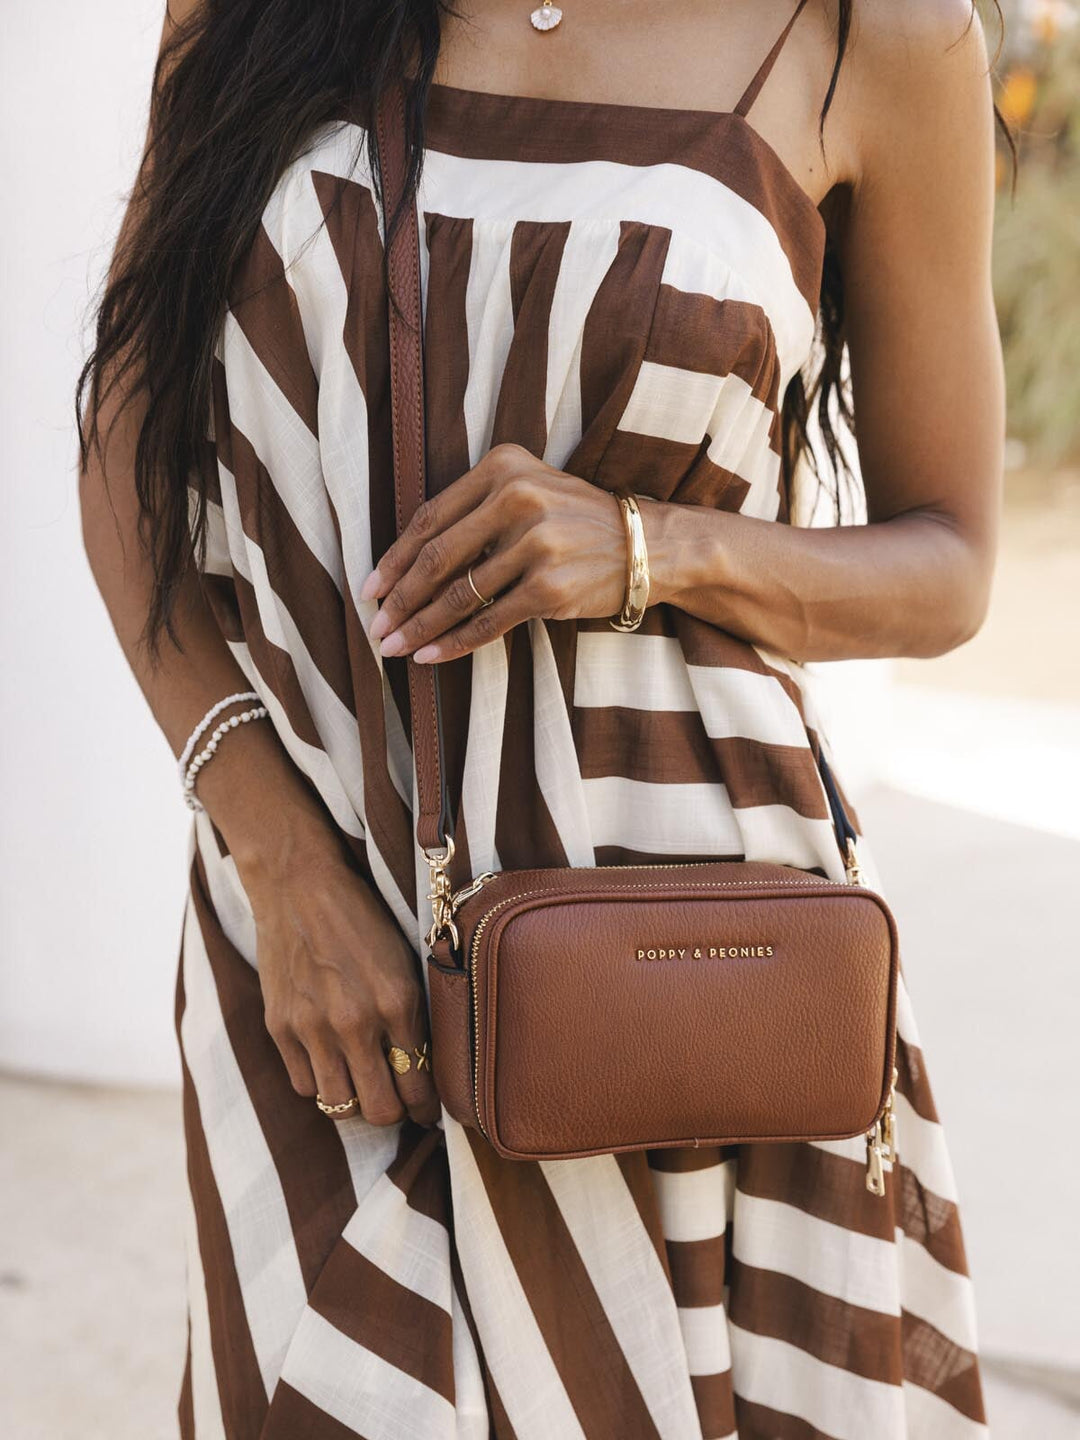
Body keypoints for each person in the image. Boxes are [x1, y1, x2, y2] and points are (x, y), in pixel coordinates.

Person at [78, 0, 1005, 1434]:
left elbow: (948, 563)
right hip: (326, 955)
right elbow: (127, 440)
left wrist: (648, 544)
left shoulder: (873, 37)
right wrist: (276, 857)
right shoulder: (253, 14)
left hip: (682, 962)